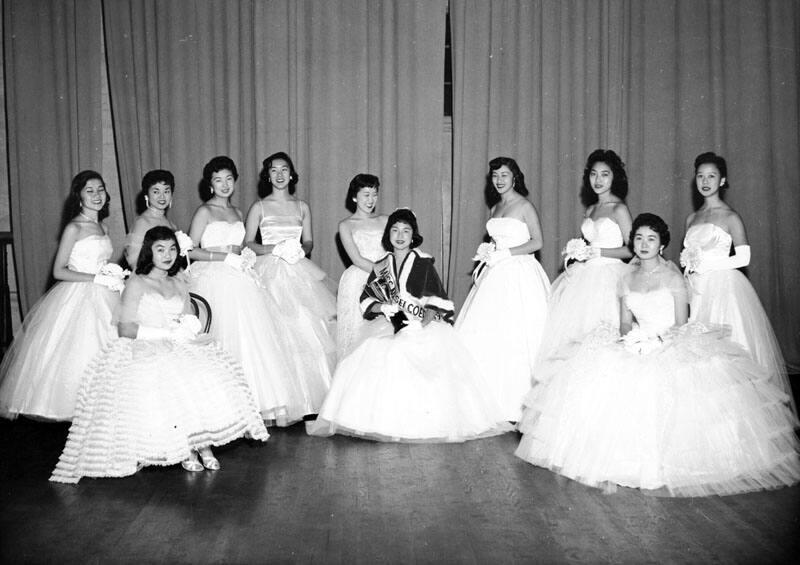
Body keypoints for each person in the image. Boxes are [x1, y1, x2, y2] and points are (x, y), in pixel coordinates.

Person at [515, 213, 800, 496]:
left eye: (651, 239)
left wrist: (658, 341)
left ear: (661, 245)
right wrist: (630, 340)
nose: (643, 244)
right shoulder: (626, 277)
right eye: (638, 238)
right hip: (637, 340)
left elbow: (680, 323)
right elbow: (625, 322)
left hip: (669, 341)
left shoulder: (673, 277)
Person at [50, 227, 269, 483]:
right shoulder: (137, 282)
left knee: (206, 374)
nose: (168, 255)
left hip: (178, 342)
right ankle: (187, 448)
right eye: (160, 249)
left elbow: (188, 315)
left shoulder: (178, 280)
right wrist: (165, 334)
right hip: (146, 343)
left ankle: (203, 444)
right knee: (168, 379)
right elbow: (126, 328)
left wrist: (188, 328)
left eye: (173, 249)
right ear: (149, 252)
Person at [309, 209, 510, 442]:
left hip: (422, 324)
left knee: (410, 352)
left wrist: (420, 323)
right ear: (388, 235)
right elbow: (367, 299)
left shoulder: (423, 262)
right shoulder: (382, 265)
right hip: (389, 323)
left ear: (413, 235)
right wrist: (383, 308)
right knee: (368, 352)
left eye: (406, 230)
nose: (400, 235)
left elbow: (436, 299)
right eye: (395, 230)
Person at [187, 156, 325, 425]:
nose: (225, 185)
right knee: (222, 336)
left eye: (229, 179)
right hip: (213, 276)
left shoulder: (238, 212)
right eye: (218, 180)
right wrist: (224, 258)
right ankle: (221, 409)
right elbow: (190, 249)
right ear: (210, 184)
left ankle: (252, 405)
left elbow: (244, 246)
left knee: (251, 339)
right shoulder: (204, 211)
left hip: (239, 276)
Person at [0, 170, 123, 421]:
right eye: (90, 190)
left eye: (100, 189)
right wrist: (97, 278)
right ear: (78, 196)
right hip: (78, 296)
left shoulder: (103, 226)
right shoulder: (74, 227)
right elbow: (59, 270)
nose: (96, 195)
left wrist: (111, 276)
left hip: (104, 295)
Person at [682, 152, 794, 412]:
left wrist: (708, 265)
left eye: (712, 176)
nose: (705, 181)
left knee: (728, 353)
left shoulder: (730, 216)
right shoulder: (691, 218)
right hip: (698, 290)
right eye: (700, 176)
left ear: (722, 181)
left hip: (723, 288)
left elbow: (744, 256)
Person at [455, 157, 551, 422]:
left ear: (515, 177)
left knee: (518, 334)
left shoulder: (525, 206)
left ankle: (519, 404)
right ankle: (488, 402)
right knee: (490, 332)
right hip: (496, 274)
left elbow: (537, 242)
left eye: (504, 175)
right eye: (495, 175)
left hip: (519, 272)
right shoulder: (495, 207)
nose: (499, 180)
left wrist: (506, 253)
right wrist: (491, 255)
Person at [244, 152, 337, 378]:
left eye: (284, 169)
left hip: (297, 268)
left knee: (306, 325)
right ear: (267, 175)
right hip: (269, 269)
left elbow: (309, 241)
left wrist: (300, 251)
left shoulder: (302, 207)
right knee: (274, 326)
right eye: (274, 170)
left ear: (292, 174)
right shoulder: (259, 207)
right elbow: (247, 243)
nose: (279, 174)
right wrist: (273, 249)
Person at [537, 149, 632, 359]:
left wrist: (598, 251)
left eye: (604, 174)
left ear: (614, 177)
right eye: (593, 174)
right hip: (585, 275)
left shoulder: (619, 209)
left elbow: (632, 249)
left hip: (610, 275)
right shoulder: (590, 210)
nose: (598, 180)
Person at [335, 173, 388, 358]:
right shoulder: (346, 225)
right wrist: (383, 273)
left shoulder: (385, 220)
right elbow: (356, 259)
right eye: (366, 195)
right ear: (354, 196)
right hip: (360, 279)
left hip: (387, 275)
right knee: (358, 337)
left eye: (374, 194)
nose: (371, 200)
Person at [124, 170, 179, 269]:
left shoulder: (171, 224)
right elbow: (134, 262)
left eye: (166, 191)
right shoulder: (143, 222)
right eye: (156, 192)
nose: (162, 196)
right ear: (147, 195)